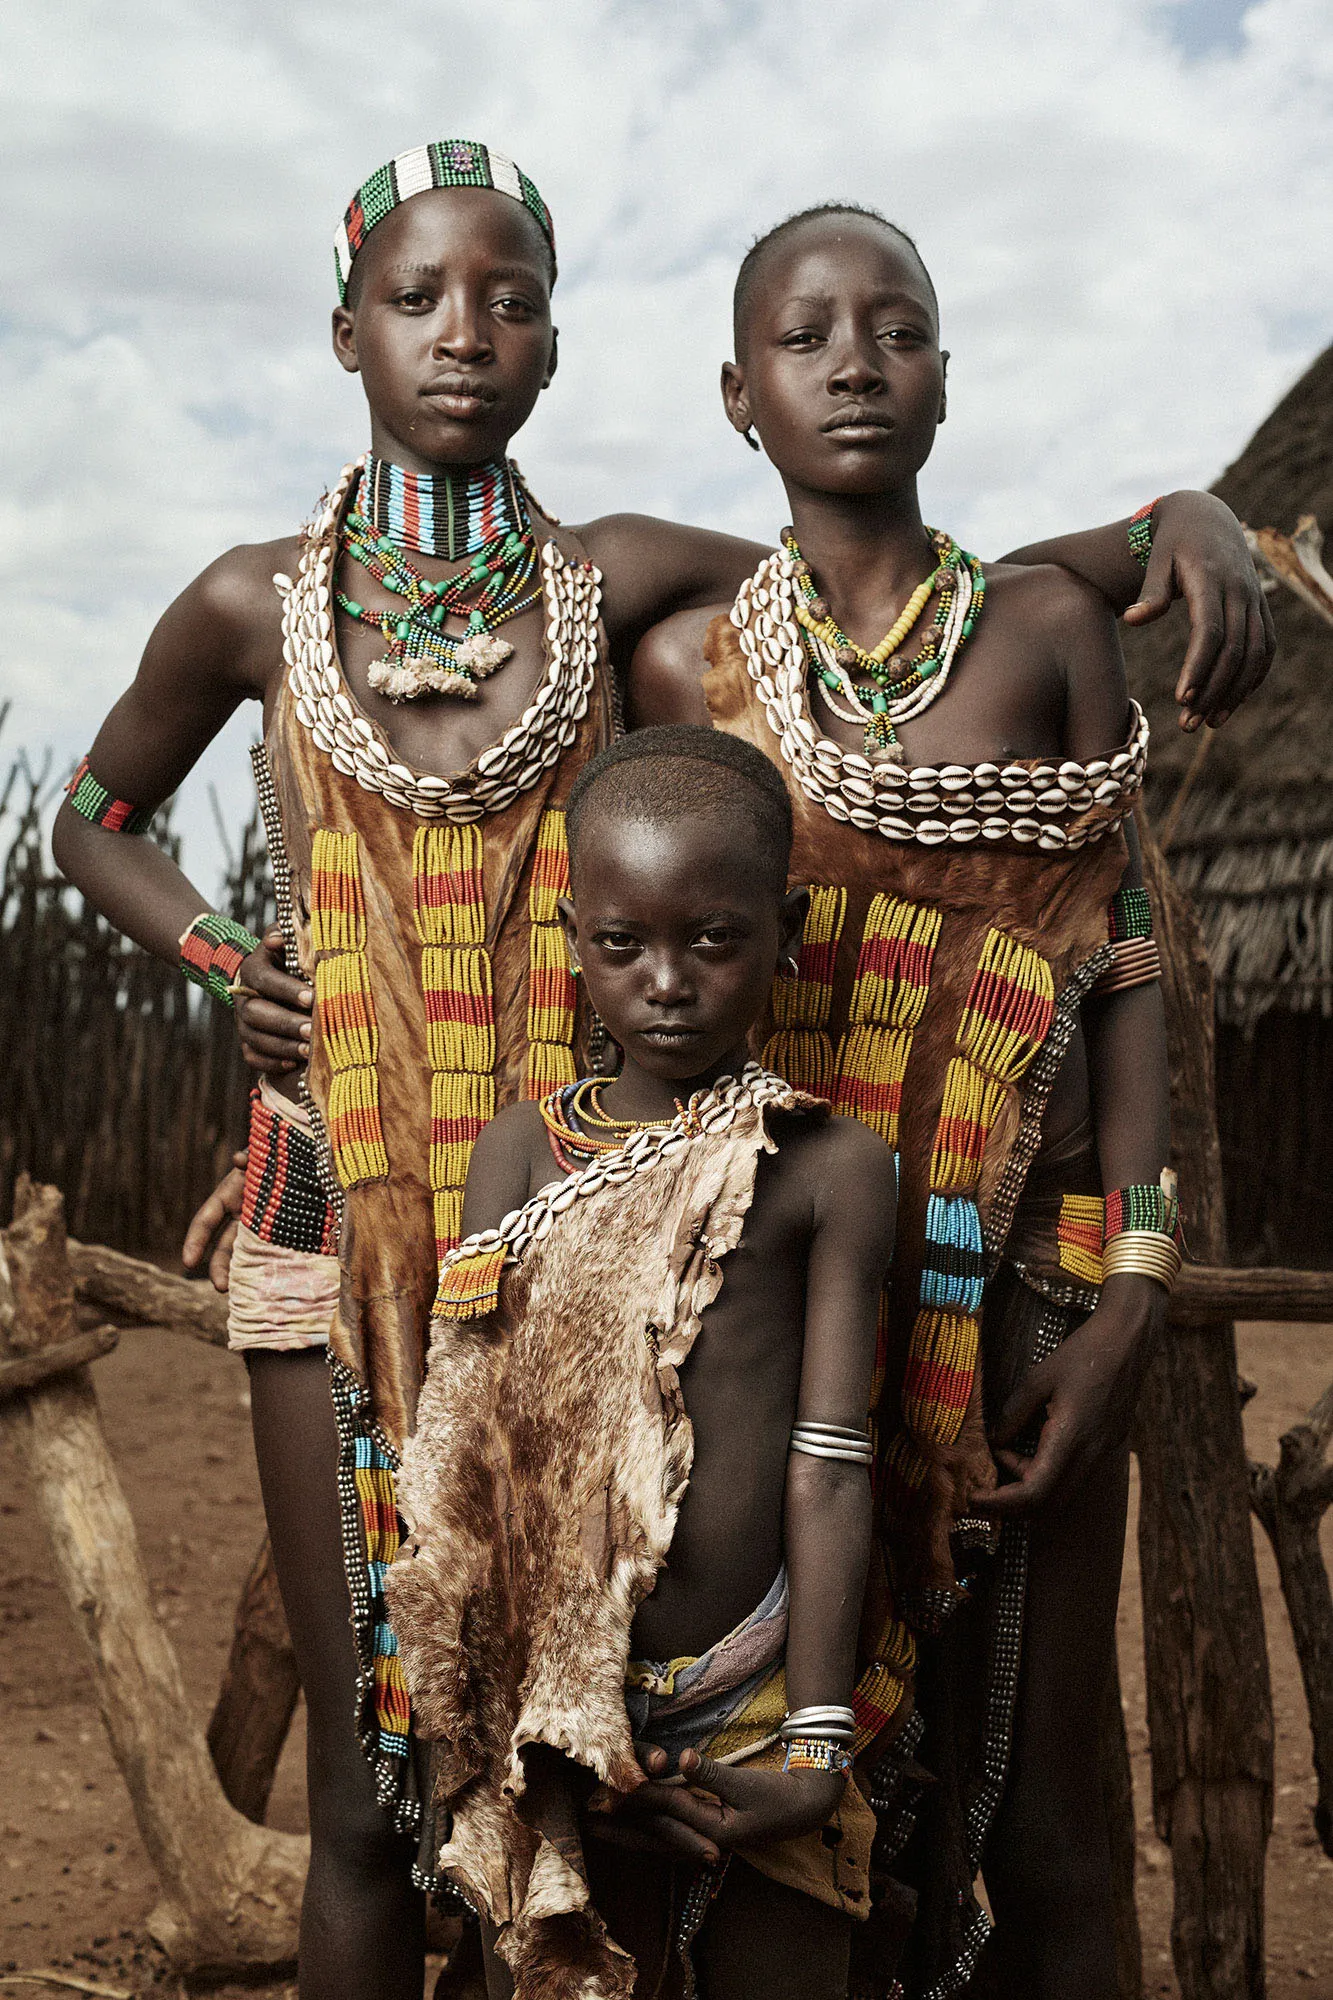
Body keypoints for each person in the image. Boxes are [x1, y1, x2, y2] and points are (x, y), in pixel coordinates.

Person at [75, 143, 1261, 1995]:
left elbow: (889, 575)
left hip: (590, 1232)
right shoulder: (256, 600)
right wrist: (235, 957)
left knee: (627, 1720)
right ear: (343, 331)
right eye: (416, 298)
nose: (463, 334)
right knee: (382, 1792)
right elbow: (92, 815)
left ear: (556, 345)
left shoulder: (610, 580)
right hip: (346, 1215)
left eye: (510, 301)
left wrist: (1169, 523)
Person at [630, 203, 1189, 1999]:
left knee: (1045, 1806)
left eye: (897, 329)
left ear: (946, 373)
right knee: (838, 1782)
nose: (855, 364)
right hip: (792, 1295)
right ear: (738, 395)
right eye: (804, 338)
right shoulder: (686, 668)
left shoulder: (1043, 632)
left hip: (1026, 1285)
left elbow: (1121, 965)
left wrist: (1128, 1296)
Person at [387, 725, 897, 2000]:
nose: (667, 981)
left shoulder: (828, 1166)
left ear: (784, 931)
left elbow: (830, 1461)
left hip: (754, 1692)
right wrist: (541, 1726)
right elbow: (476, 1462)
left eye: (714, 940)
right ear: (573, 939)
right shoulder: (518, 1153)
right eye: (622, 943)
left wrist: (814, 1749)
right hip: (550, 1699)